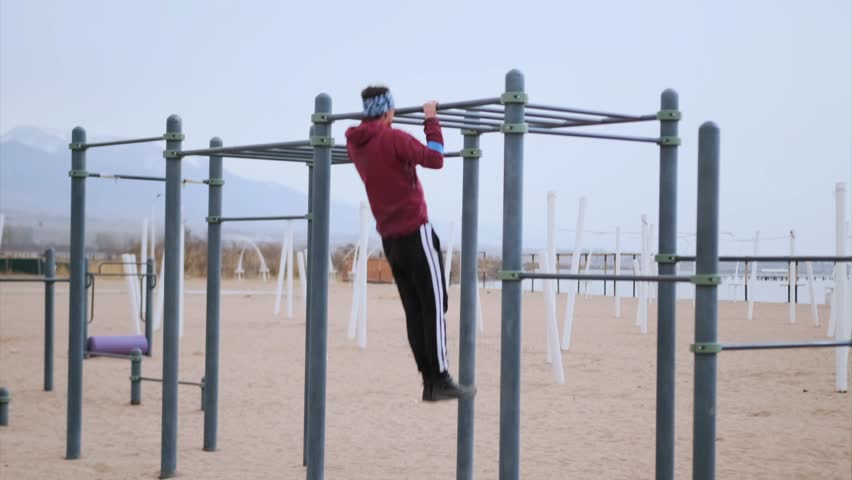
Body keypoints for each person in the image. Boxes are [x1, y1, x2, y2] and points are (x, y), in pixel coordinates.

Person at [345, 86, 476, 402]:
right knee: (434, 306)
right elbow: (435, 158)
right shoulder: (393, 139)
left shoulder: (356, 145)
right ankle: (441, 378)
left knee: (416, 311)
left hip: (391, 241)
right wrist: (431, 120)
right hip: (415, 232)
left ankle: (429, 382)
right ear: (389, 111)